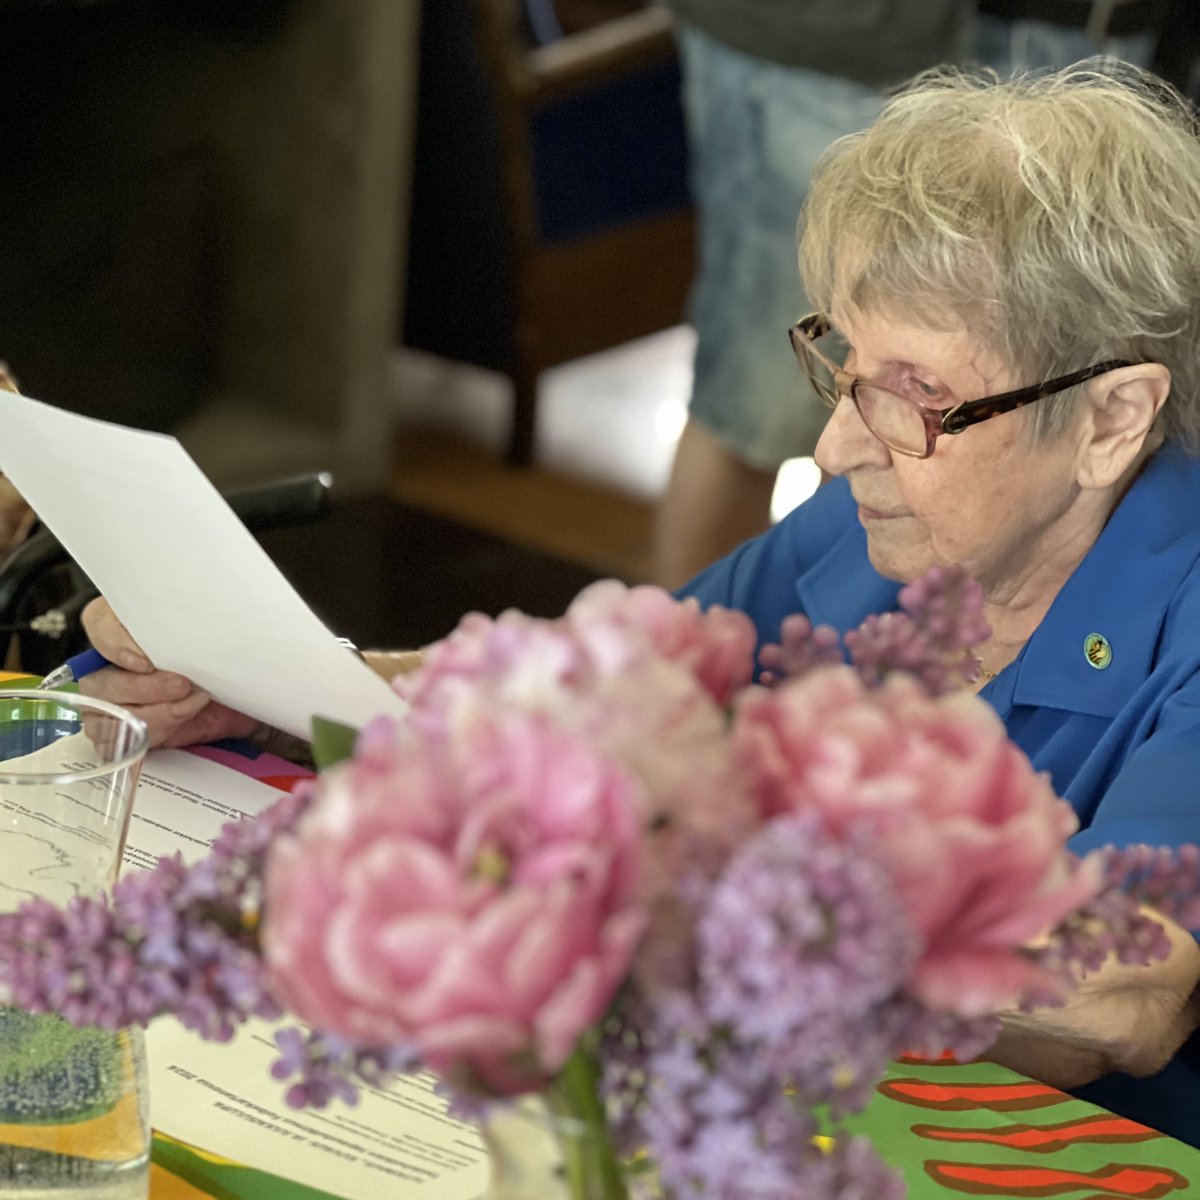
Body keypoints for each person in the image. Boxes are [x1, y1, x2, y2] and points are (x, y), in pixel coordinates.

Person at [80, 63, 1200, 1144]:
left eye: (917, 395)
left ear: (1110, 420)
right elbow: (585, 691)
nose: (834, 444)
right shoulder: (878, 532)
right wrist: (288, 685)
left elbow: (1120, 997)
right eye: (845, 363)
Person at [653, 0, 1170, 589]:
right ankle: (690, 664)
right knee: (752, 410)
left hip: (1096, 35)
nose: (832, 450)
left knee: (1027, 426)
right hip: (848, 43)